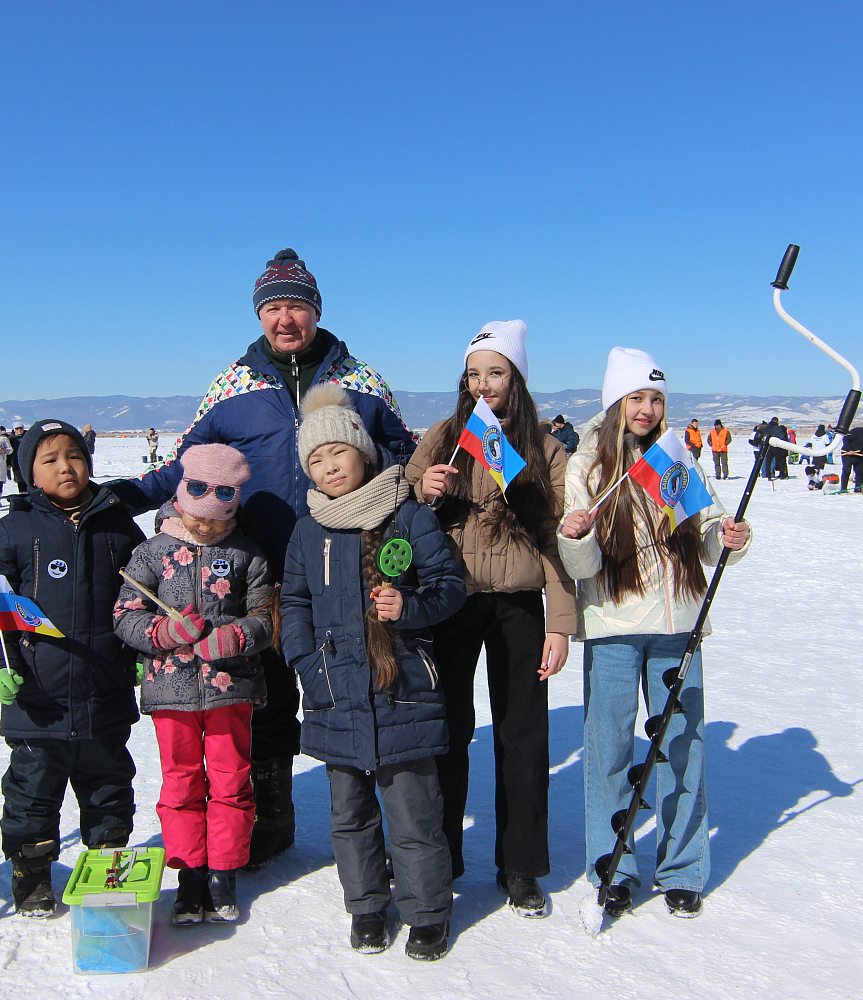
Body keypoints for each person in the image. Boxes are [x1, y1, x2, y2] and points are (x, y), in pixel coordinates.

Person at [116, 248, 417, 867]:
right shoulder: (234, 384)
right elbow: (184, 463)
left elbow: (405, 452)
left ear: (316, 312)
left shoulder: (360, 380)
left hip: (345, 564)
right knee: (265, 699)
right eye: (274, 308)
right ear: (259, 316)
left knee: (353, 690)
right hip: (257, 574)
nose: (286, 319)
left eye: (297, 307)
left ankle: (369, 828)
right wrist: (118, 496)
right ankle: (269, 821)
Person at [557, 347, 751, 920]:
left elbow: (708, 535)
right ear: (615, 402)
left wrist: (730, 538)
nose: (647, 409)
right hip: (614, 627)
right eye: (636, 398)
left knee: (681, 748)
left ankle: (683, 868)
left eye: (656, 399)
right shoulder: (587, 466)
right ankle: (613, 867)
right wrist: (575, 535)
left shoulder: (675, 460)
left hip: (678, 625)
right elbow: (582, 566)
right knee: (609, 750)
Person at [280, 384, 465, 960]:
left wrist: (409, 607)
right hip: (335, 691)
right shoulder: (308, 529)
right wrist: (306, 661)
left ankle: (427, 913)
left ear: (362, 450)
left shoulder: (407, 514)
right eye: (316, 459)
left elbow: (449, 587)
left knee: (414, 811)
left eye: (338, 451)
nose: (330, 467)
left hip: (402, 688)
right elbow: (294, 603)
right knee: (350, 814)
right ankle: (365, 907)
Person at [405, 320, 574, 917]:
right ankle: (441, 858)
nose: (483, 384)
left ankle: (521, 866)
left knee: (522, 735)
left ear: (517, 380)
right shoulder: (444, 436)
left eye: (496, 373)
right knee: (447, 730)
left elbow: (556, 539)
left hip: (519, 604)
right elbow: (403, 507)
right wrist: (423, 488)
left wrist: (559, 623)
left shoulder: (546, 449)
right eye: (474, 374)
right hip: (449, 599)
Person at [0, 419, 146, 917]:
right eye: (50, 460)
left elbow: (141, 599)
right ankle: (31, 876)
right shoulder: (12, 530)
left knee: (109, 788)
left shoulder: (117, 525)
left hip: (105, 690)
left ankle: (108, 869)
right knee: (32, 794)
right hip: (38, 697)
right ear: (30, 473)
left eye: (75, 455)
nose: (66, 467)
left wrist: (139, 655)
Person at [114, 444, 273, 925]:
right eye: (196, 516)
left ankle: (224, 871)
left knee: (231, 778)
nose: (205, 527)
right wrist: (162, 633)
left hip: (231, 688)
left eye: (216, 518)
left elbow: (265, 617)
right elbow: (125, 615)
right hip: (171, 691)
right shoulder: (151, 553)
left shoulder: (247, 554)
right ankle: (189, 874)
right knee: (181, 781)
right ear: (181, 498)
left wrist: (237, 636)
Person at [839, 422, 863, 492]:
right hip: (848, 454)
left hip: (859, 455)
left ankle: (858, 488)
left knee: (860, 471)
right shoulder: (857, 431)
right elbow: (846, 439)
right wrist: (849, 450)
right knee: (847, 471)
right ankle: (843, 488)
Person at [8, 424, 27, 494]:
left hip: (27, 461)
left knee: (28, 479)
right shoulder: (11, 439)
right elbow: (9, 453)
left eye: (20, 428)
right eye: (17, 429)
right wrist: (8, 463)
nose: (19, 430)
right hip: (16, 461)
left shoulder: (28, 437)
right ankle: (22, 494)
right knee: (19, 479)